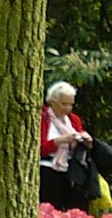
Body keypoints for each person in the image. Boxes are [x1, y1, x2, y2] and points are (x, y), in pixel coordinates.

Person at [38, 81, 93, 211]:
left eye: (70, 104)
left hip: (70, 171)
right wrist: (61, 140)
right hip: (46, 170)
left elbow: (80, 148)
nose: (67, 108)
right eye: (63, 104)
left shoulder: (74, 120)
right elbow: (39, 149)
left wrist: (86, 142)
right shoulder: (42, 117)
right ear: (52, 101)